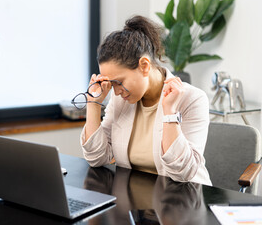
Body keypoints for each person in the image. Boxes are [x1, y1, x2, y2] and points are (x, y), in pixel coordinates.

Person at [79, 15, 211, 185]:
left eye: (119, 82)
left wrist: (170, 113)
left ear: (144, 66)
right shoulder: (120, 100)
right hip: (135, 204)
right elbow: (96, 157)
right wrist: (93, 104)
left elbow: (183, 173)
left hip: (184, 199)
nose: (117, 91)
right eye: (111, 84)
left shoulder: (192, 98)